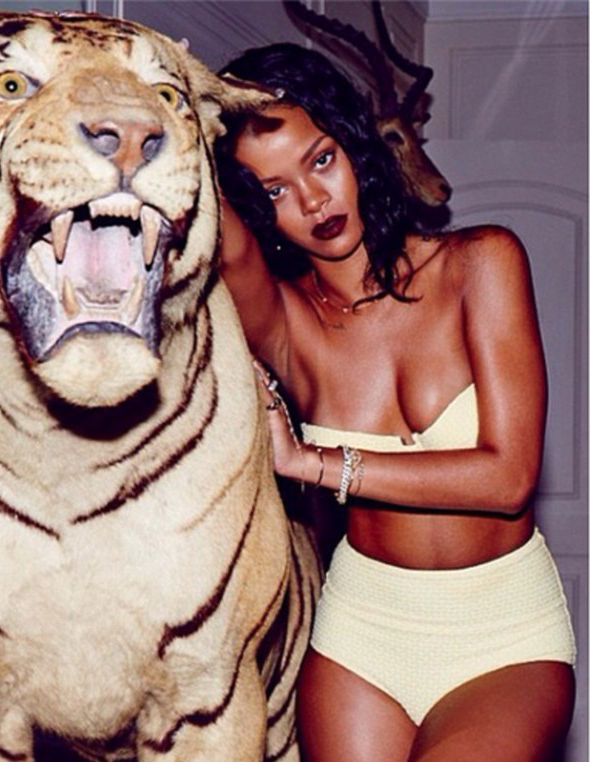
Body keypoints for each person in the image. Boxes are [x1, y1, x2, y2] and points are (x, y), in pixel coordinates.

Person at [215, 42, 576, 762]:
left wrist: (313, 462)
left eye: (321, 160)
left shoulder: (481, 263)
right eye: (276, 190)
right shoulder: (287, 321)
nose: (314, 201)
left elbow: (507, 478)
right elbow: (212, 231)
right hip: (361, 635)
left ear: (354, 147)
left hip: (502, 635)